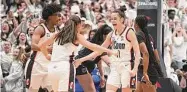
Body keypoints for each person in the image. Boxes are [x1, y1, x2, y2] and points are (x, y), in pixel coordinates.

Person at [38, 15, 116, 92]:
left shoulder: (58, 34)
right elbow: (93, 46)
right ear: (79, 25)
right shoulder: (76, 36)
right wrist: (110, 51)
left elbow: (41, 45)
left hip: (52, 68)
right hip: (66, 67)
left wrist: (47, 56)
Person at [75, 7, 141, 92]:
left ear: (121, 19)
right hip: (115, 66)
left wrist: (135, 69)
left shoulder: (129, 32)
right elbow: (99, 51)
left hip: (127, 66)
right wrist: (81, 59)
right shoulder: (111, 34)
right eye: (111, 19)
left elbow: (137, 52)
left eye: (115, 18)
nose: (112, 20)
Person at [24, 3, 62, 92]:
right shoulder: (40, 29)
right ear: (50, 17)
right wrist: (48, 49)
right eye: (57, 15)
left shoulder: (58, 30)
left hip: (49, 66)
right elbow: (33, 46)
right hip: (36, 65)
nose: (59, 17)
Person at [75, 24, 112, 92]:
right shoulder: (99, 45)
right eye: (110, 36)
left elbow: (99, 61)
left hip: (83, 67)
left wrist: (102, 75)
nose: (111, 38)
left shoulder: (99, 43)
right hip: (81, 66)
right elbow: (108, 61)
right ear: (104, 35)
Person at [134, 15, 160, 92]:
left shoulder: (138, 35)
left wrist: (145, 72)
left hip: (146, 70)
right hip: (148, 69)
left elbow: (146, 53)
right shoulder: (150, 37)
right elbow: (157, 58)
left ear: (136, 24)